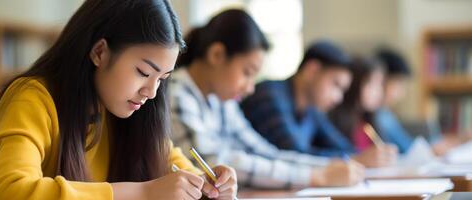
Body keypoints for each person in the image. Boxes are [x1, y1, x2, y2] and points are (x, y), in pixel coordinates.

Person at [0, 1, 237, 199]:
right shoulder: (31, 98)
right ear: (99, 52)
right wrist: (144, 193)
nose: (151, 92)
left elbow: (176, 167)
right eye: (143, 73)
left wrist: (207, 185)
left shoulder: (128, 111)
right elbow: (10, 192)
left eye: (162, 78)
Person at [170, 9, 364, 189]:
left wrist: (327, 166)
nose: (250, 87)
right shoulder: (177, 94)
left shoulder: (220, 101)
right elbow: (213, 163)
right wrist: (315, 176)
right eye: (247, 72)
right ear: (217, 55)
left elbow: (262, 151)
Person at [241, 41, 397, 168]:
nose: (339, 98)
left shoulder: (311, 110)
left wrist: (366, 156)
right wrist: (354, 159)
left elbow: (342, 147)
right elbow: (294, 155)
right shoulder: (270, 96)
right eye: (336, 85)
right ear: (312, 70)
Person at [329, 57, 398, 168]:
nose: (378, 92)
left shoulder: (370, 122)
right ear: (355, 84)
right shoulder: (335, 120)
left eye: (380, 84)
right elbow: (334, 156)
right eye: (372, 84)